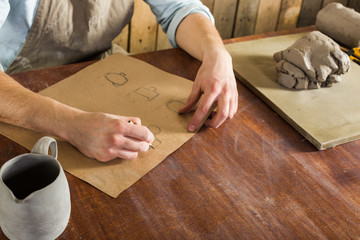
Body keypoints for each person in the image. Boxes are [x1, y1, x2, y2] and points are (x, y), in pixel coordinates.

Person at [0, 0, 238, 162]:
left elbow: (180, 7)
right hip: (16, 86)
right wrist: (69, 124)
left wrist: (215, 52)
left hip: (101, 63)